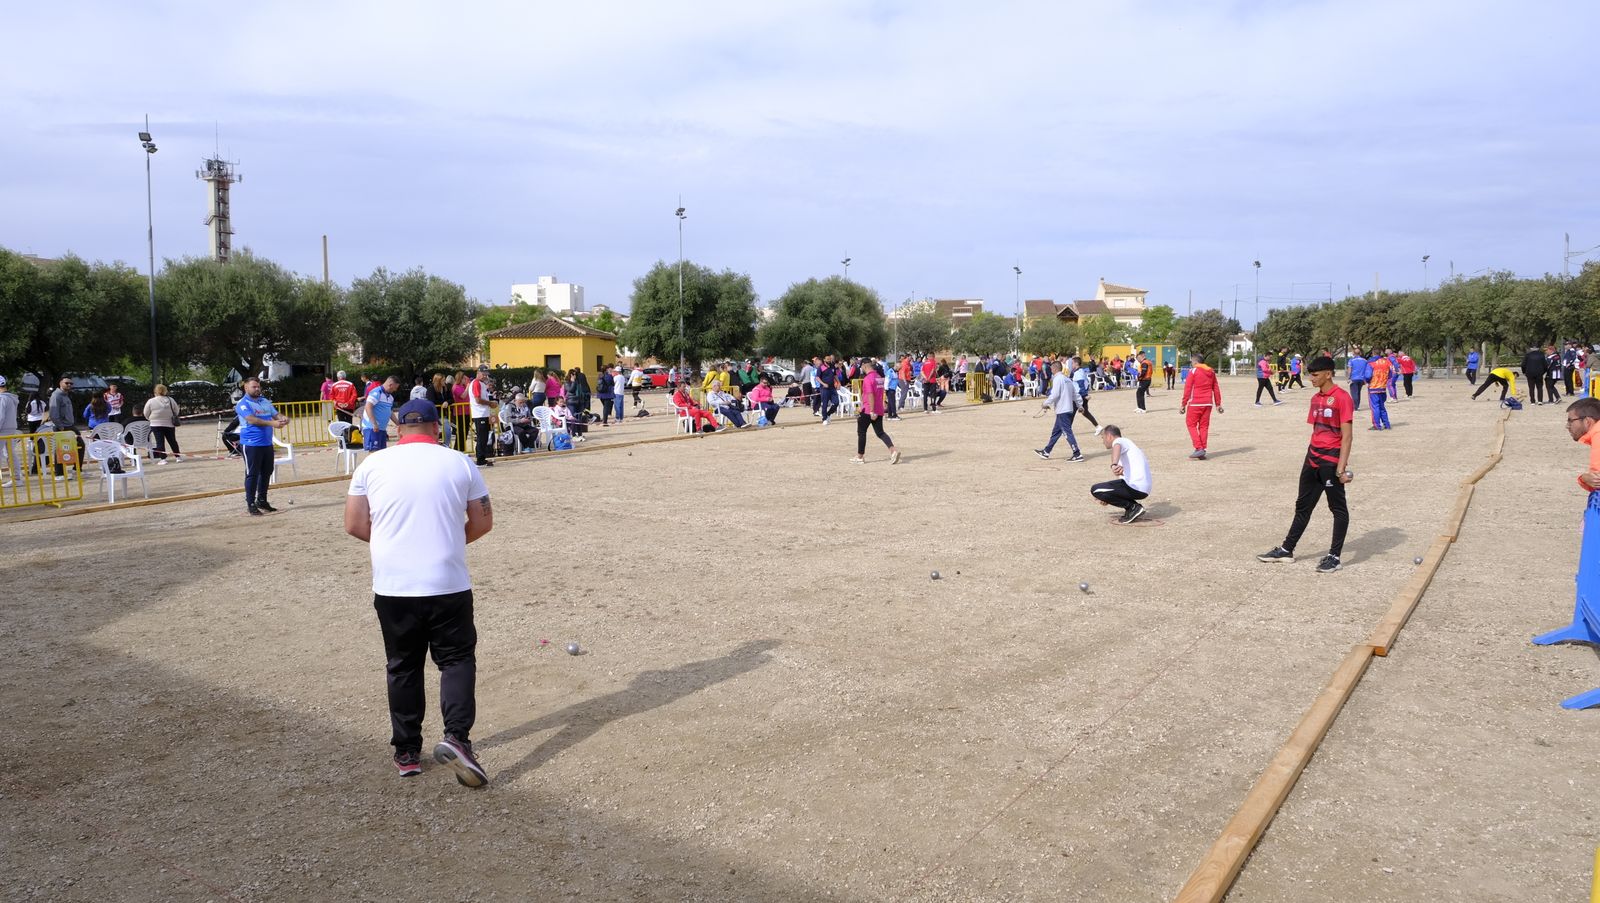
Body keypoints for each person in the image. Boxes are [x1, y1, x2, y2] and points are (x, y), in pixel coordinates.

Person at [343, 399, 493, 786]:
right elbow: (483, 520)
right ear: (436, 426)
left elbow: (355, 524)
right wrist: (448, 545)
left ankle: (407, 751)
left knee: (403, 665)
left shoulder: (372, 464)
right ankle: (457, 738)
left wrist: (395, 547)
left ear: (398, 429)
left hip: (394, 584)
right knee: (456, 660)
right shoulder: (459, 462)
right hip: (447, 580)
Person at [1257, 356, 1354, 574]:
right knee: (1303, 505)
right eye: (1310, 374)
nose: (1311, 378)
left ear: (1328, 374)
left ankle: (1334, 556)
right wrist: (1312, 455)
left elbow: (1347, 437)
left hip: (1331, 460)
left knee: (1337, 508)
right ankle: (1286, 550)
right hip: (1312, 457)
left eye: (1315, 375)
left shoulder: (1342, 398)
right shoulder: (1315, 399)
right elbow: (1317, 430)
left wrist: (1341, 467)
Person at [235, 377, 289, 516]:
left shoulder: (265, 401)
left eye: (258, 386)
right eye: (254, 387)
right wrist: (272, 424)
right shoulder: (242, 403)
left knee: (266, 472)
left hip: (266, 443)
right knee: (252, 474)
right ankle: (251, 503)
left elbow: (275, 414)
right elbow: (252, 420)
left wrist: (283, 418)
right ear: (246, 388)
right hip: (251, 444)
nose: (257, 389)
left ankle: (262, 500)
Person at [1090, 425, 1151, 524]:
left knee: (1095, 489)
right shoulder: (1127, 448)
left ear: (1109, 436)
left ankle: (1133, 507)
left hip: (1137, 487)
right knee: (1102, 490)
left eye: (1103, 438)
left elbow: (1116, 445)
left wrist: (1114, 464)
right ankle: (1134, 508)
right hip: (1141, 488)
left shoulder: (1120, 441)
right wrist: (1107, 496)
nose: (1103, 441)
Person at [1035, 360, 1084, 462]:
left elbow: (1055, 394)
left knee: (1067, 432)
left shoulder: (1058, 379)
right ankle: (1046, 451)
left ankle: (1077, 453)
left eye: (1051, 368)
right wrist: (1080, 405)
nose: (1051, 370)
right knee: (1056, 432)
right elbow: (1075, 394)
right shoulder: (1067, 379)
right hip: (1068, 409)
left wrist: (1045, 403)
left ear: (1054, 368)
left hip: (1063, 410)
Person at [853, 362, 901, 464]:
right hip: (879, 409)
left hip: (868, 409)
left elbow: (870, 394)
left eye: (861, 367)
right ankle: (893, 451)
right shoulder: (879, 377)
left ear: (865, 366)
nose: (861, 369)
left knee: (861, 432)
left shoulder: (867, 379)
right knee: (880, 433)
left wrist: (871, 411)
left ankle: (860, 457)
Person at [1180, 352, 1223, 460]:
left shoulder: (1193, 371)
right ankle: (1202, 449)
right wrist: (1218, 404)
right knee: (1204, 426)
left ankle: (1199, 448)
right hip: (1208, 403)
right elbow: (1216, 388)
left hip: (1195, 403)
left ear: (1195, 361)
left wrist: (1183, 404)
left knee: (1191, 424)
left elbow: (1188, 389)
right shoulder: (1211, 371)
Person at [143, 384, 182, 464]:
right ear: (165, 391)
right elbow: (176, 411)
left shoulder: (151, 401)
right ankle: (178, 457)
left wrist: (150, 418)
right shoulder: (171, 400)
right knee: (172, 441)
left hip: (156, 424)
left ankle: (163, 459)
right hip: (169, 423)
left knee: (159, 441)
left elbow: (146, 413)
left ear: (155, 391)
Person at [469, 365, 498, 467]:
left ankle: (481, 458)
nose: (485, 375)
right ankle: (480, 459)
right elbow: (478, 400)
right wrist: (490, 403)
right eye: (484, 373)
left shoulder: (480, 383)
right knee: (482, 437)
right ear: (478, 372)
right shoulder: (476, 383)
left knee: (484, 437)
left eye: (486, 374)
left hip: (483, 413)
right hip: (479, 414)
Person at [362, 376, 400, 451]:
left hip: (382, 429)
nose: (395, 390)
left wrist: (398, 424)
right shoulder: (376, 392)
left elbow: (390, 412)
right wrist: (374, 423)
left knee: (381, 453)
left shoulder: (390, 397)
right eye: (395, 387)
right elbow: (368, 407)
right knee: (373, 452)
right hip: (371, 428)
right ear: (390, 384)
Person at [1365, 352, 1392, 430]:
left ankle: (1377, 425)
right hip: (1383, 388)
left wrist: (1367, 381)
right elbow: (1390, 375)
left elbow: (1367, 375)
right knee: (1382, 407)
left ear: (1373, 353)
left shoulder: (1371, 362)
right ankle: (1387, 424)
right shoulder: (1387, 362)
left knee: (1375, 407)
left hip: (1373, 387)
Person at [817, 355, 840, 425]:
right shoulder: (821, 367)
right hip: (824, 388)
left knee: (836, 402)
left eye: (830, 359)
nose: (829, 360)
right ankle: (824, 419)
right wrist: (823, 384)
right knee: (825, 404)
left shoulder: (832, 366)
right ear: (824, 360)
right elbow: (817, 378)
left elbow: (835, 375)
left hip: (832, 387)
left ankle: (828, 414)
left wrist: (839, 382)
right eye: (828, 359)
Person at [1346, 345, 1370, 412]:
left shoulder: (1351, 360)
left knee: (1354, 393)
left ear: (1354, 353)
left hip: (1354, 378)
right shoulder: (1365, 361)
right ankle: (1358, 406)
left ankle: (1355, 406)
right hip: (1361, 379)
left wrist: (1348, 378)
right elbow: (1366, 370)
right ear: (1360, 353)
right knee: (1358, 392)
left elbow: (1350, 370)